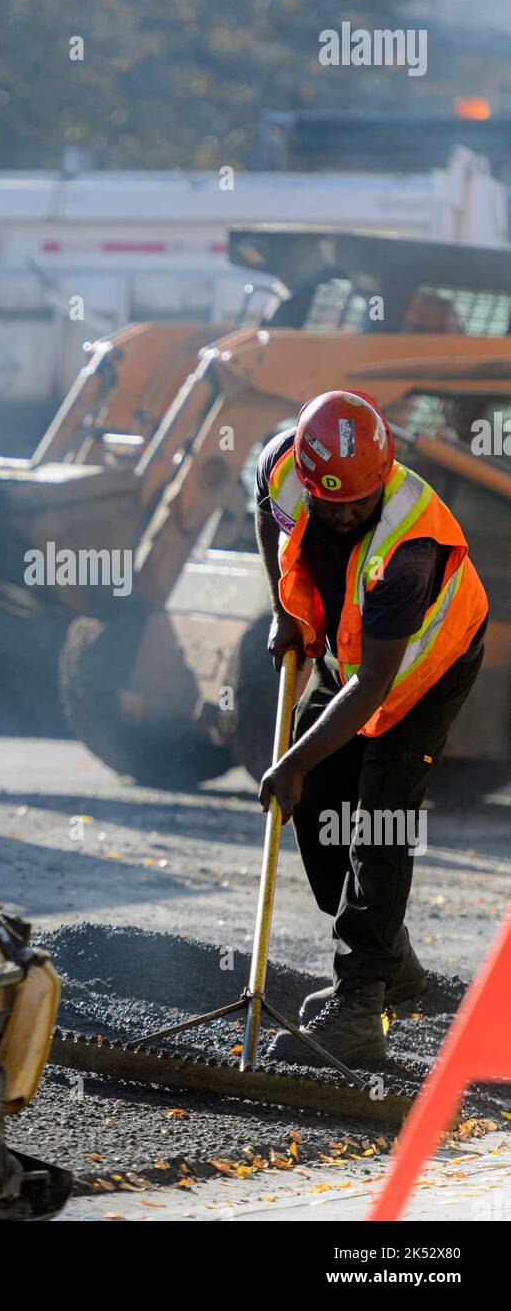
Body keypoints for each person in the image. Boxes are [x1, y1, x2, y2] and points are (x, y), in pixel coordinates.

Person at [253, 390, 488, 1065]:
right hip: (354, 653)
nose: (348, 513)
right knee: (318, 799)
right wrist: (282, 611)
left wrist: (290, 760)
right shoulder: (280, 467)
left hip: (426, 667)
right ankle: (390, 967)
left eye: (361, 501)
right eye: (334, 504)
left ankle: (359, 1011)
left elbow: (373, 690)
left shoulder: (406, 550)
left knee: (380, 822)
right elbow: (266, 515)